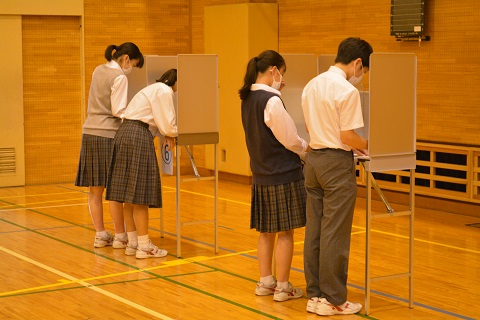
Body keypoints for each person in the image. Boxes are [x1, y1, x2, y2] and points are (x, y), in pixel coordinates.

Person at [301, 37, 373, 315]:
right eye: (363, 69)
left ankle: (316, 295)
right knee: (336, 232)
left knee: (315, 230)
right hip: (335, 162)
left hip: (314, 159)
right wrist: (370, 144)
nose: (362, 75)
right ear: (357, 63)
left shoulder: (311, 84)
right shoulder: (347, 90)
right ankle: (334, 299)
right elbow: (347, 136)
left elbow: (308, 125)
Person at [239, 50, 308, 302]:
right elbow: (288, 138)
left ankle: (265, 282)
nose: (283, 79)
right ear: (273, 71)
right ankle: (282, 286)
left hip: (260, 172)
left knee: (266, 232)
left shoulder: (247, 98)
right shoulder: (271, 100)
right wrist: (305, 147)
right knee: (286, 233)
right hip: (282, 172)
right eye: (282, 73)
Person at [75, 42, 144, 248]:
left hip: (89, 132)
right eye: (133, 64)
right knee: (115, 189)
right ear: (125, 59)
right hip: (108, 134)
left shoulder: (98, 69)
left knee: (95, 190)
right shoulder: (119, 77)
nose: (131, 69)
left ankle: (100, 234)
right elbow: (118, 110)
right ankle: (121, 236)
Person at [106, 69, 178, 259]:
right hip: (138, 135)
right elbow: (167, 124)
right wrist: (172, 133)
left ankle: (133, 243)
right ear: (175, 81)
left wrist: (168, 133)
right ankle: (144, 246)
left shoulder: (153, 88)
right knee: (140, 195)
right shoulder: (164, 90)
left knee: (129, 195)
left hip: (125, 133)